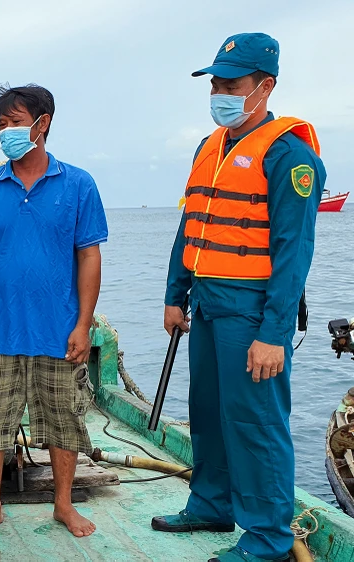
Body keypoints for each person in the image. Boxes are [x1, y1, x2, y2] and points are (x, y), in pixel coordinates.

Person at [153, 33, 325, 562]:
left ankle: (269, 537)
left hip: (253, 311)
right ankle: (210, 503)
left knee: (255, 423)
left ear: (265, 86)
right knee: (207, 411)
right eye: (216, 84)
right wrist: (174, 294)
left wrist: (273, 334)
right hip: (205, 303)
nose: (220, 93)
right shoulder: (212, 146)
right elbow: (191, 226)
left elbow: (294, 253)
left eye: (232, 84)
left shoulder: (290, 156)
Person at [0, 83, 108, 540]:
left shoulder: (78, 184)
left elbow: (89, 256)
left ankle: (63, 504)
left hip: (59, 331)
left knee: (65, 418)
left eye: (16, 122)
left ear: (43, 124)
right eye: (2, 124)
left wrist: (82, 323)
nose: (7, 131)